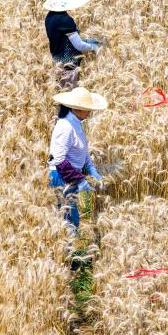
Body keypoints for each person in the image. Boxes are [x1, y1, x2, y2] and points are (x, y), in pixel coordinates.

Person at [47, 86, 107, 233]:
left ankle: (71, 251)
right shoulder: (66, 127)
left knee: (71, 218)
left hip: (70, 176)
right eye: (87, 109)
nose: (90, 112)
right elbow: (59, 160)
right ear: (76, 109)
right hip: (62, 177)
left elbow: (82, 150)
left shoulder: (76, 124)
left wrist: (91, 168)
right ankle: (68, 253)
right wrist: (80, 180)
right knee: (68, 220)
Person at [44, 0, 102, 87]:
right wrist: (94, 47)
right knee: (69, 94)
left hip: (57, 63)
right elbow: (78, 45)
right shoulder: (65, 20)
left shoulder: (50, 17)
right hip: (69, 66)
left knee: (62, 94)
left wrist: (87, 41)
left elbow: (63, 39)